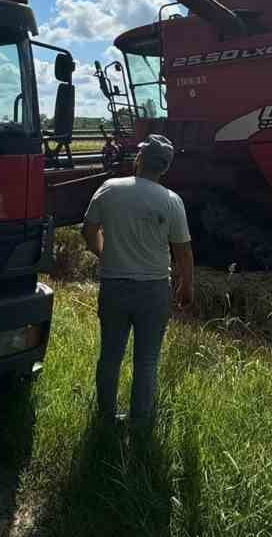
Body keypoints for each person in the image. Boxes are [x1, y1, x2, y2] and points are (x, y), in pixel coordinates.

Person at [82, 134, 194, 428]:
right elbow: (183, 250)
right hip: (154, 290)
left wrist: (103, 252)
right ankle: (140, 423)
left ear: (139, 159)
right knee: (146, 361)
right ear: (165, 168)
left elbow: (88, 230)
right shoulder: (172, 200)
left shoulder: (109, 189)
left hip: (114, 286)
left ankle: (106, 418)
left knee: (110, 356)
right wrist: (186, 285)